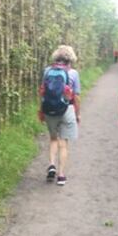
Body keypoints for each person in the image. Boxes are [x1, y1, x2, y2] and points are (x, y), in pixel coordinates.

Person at [38, 45, 81, 186]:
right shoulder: (73, 73)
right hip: (67, 109)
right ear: (71, 59)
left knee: (53, 139)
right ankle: (61, 175)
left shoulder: (47, 71)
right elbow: (77, 96)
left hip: (50, 109)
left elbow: (42, 92)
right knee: (63, 143)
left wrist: (41, 110)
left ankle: (52, 165)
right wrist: (77, 114)